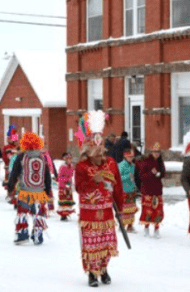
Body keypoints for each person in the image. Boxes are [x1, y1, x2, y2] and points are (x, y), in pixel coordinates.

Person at [75, 110, 124, 287]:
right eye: (94, 154)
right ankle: (91, 273)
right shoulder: (81, 167)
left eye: (100, 152)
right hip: (89, 215)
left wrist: (121, 207)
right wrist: (92, 182)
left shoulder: (110, 163)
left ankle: (103, 269)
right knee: (91, 245)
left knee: (107, 243)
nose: (98, 157)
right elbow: (79, 189)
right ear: (87, 153)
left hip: (107, 213)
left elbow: (118, 186)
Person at [7, 132, 53, 245]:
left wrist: (10, 187)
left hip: (25, 192)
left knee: (22, 213)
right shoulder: (42, 157)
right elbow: (47, 176)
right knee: (38, 214)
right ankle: (38, 236)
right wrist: (48, 190)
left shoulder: (21, 157)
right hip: (40, 192)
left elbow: (14, 173)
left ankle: (22, 235)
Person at [138, 143, 166, 238]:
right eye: (155, 151)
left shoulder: (160, 162)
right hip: (147, 190)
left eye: (158, 152)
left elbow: (164, 173)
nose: (156, 153)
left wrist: (160, 174)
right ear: (151, 152)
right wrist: (151, 173)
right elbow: (141, 176)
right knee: (147, 210)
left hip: (157, 190)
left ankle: (157, 229)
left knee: (158, 210)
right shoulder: (146, 162)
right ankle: (146, 227)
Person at [118, 147, 138, 232]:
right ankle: (122, 225)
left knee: (132, 209)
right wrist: (127, 176)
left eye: (132, 157)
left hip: (132, 190)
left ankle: (130, 226)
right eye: (129, 157)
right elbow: (118, 178)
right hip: (124, 190)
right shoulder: (121, 165)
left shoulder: (133, 165)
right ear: (125, 157)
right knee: (124, 209)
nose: (131, 158)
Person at [57, 153, 76, 221]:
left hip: (69, 186)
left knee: (68, 201)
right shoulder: (62, 167)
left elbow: (72, 175)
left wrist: (71, 181)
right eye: (68, 159)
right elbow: (60, 177)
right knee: (63, 201)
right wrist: (67, 180)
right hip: (63, 186)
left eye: (70, 159)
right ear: (65, 159)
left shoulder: (72, 167)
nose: (69, 160)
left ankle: (67, 214)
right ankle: (63, 215)